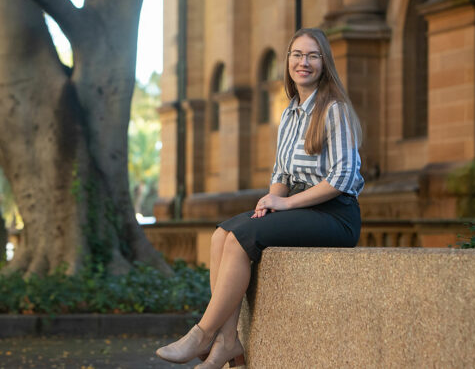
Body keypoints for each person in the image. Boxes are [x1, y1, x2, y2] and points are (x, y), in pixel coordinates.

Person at [155, 28, 364, 369]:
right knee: (222, 234)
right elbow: (281, 175)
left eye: (313, 55)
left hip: (335, 216)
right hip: (300, 209)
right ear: (288, 61)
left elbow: (342, 179)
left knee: (241, 239)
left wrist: (286, 204)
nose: (304, 62)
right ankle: (227, 341)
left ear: (324, 63)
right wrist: (271, 200)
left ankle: (203, 334)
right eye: (297, 54)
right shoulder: (290, 113)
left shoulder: (334, 109)